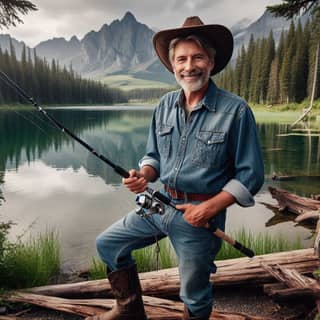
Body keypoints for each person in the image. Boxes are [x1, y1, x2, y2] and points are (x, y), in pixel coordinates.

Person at [88, 16, 264, 320]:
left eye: (197, 57)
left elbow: (250, 174)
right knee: (108, 244)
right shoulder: (164, 105)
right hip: (158, 204)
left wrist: (209, 208)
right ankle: (128, 310)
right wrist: (143, 176)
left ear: (211, 61)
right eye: (181, 58)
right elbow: (153, 155)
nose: (189, 65)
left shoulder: (236, 110)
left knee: (194, 293)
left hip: (199, 217)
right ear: (172, 65)